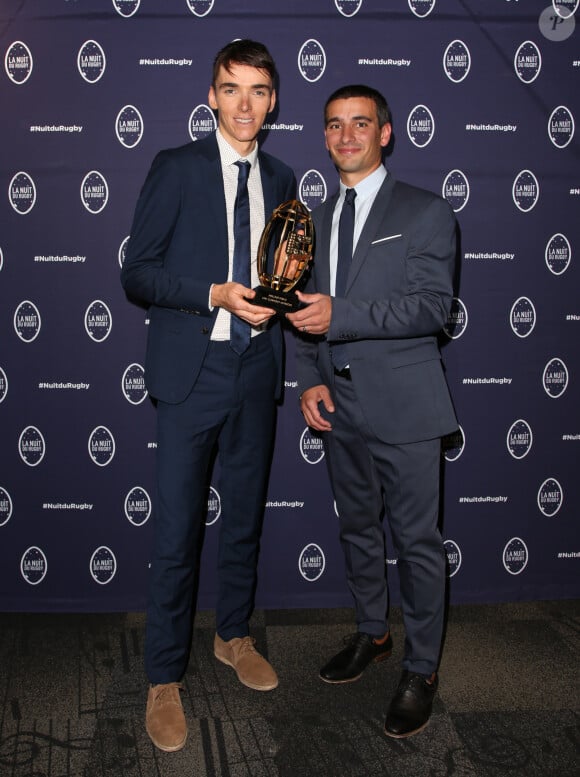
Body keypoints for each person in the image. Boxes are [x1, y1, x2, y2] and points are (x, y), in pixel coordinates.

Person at [121, 39, 296, 753]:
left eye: (258, 90)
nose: (245, 104)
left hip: (257, 369)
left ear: (274, 99)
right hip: (191, 370)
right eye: (232, 89)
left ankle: (232, 635)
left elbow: (285, 272)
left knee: (246, 516)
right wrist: (214, 294)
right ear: (211, 95)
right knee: (176, 531)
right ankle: (163, 677)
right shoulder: (177, 167)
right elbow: (138, 273)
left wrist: (282, 306)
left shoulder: (283, 176)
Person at [286, 84, 458, 738]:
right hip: (341, 407)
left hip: (408, 407)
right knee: (358, 528)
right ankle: (371, 633)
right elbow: (302, 312)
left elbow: (431, 307)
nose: (347, 136)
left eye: (361, 123)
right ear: (325, 137)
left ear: (386, 132)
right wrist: (307, 378)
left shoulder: (427, 211)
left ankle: (421, 667)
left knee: (416, 543)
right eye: (335, 125)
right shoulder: (316, 220)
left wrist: (345, 315)